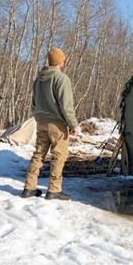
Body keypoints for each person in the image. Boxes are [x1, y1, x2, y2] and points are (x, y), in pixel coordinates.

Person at [21, 47, 80, 201]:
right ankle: (54, 190)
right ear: (61, 61)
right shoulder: (62, 79)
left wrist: (39, 117)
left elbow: (33, 104)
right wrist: (74, 125)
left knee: (38, 154)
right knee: (58, 156)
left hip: (41, 122)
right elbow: (66, 106)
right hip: (57, 124)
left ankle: (29, 187)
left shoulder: (38, 80)